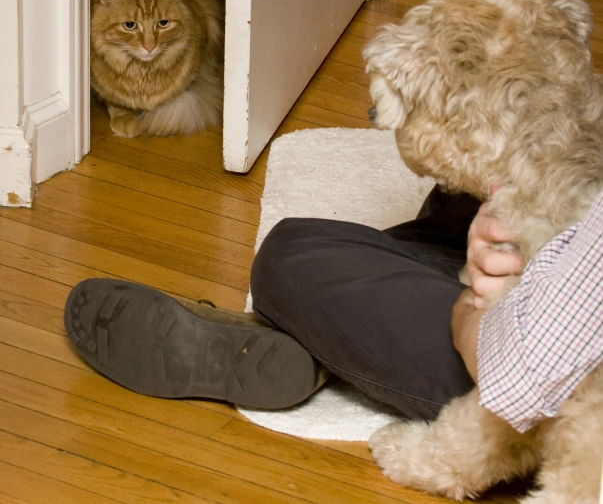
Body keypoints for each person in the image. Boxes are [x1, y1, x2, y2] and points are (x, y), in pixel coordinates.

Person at [64, 184, 603, 430]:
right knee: (466, 195)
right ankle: (343, 326)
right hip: (559, 287)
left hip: (544, 378)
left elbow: (518, 370)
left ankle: (317, 335)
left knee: (292, 255)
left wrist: (477, 302)